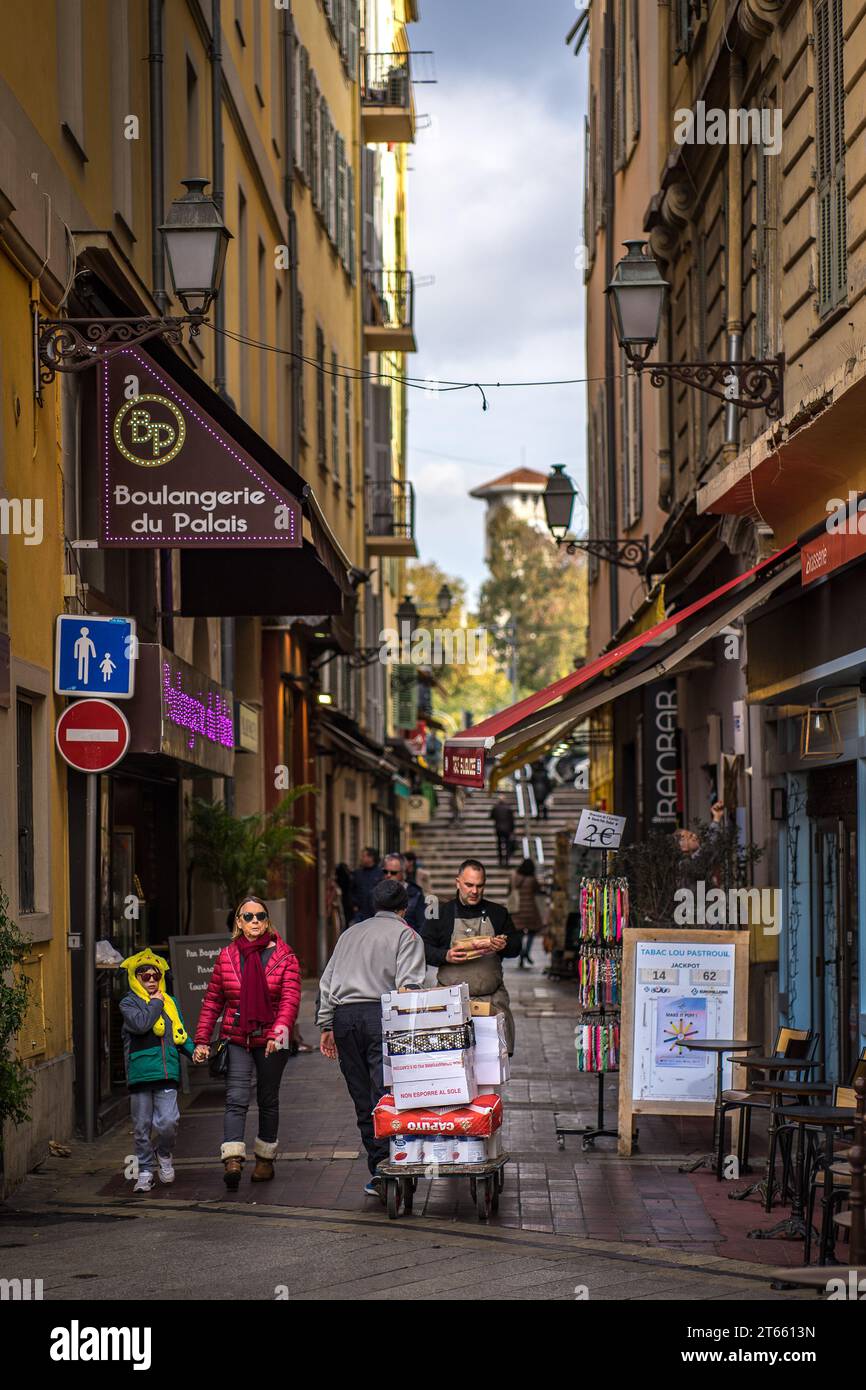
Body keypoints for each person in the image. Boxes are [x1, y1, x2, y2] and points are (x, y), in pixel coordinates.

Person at [318, 877, 426, 1200]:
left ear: (374, 905)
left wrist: (325, 1025)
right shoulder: (407, 935)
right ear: (403, 909)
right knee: (386, 1093)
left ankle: (379, 1166)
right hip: (382, 1016)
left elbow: (326, 983)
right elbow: (409, 989)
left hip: (344, 1019)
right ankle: (391, 1164)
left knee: (362, 1095)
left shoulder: (349, 934)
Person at [193, 896, 301, 1190]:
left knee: (268, 1099)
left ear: (267, 920)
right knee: (236, 1097)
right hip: (236, 1037)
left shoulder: (284, 955)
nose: (255, 921)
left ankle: (265, 1160)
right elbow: (213, 1000)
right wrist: (201, 1040)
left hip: (270, 1039)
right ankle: (233, 1159)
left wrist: (279, 1033)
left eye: (260, 916)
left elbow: (290, 1000)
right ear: (238, 923)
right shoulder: (227, 956)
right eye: (248, 916)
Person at [420, 858, 521, 1052]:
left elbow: (516, 948)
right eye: (469, 885)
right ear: (457, 882)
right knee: (452, 1063)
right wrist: (445, 956)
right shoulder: (440, 913)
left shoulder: (498, 913)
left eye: (479, 886)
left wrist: (504, 945)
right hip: (450, 1002)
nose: (474, 891)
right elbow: (422, 948)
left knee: (492, 1066)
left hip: (491, 1001)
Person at [119, 948, 197, 1193]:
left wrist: (194, 1051)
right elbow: (141, 1025)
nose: (152, 979)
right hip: (141, 1074)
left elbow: (180, 1033)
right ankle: (143, 1170)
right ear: (135, 977)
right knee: (142, 1127)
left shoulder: (170, 1002)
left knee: (168, 1122)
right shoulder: (128, 1002)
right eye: (145, 976)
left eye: (156, 975)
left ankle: (163, 1153)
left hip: (166, 1072)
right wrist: (155, 1002)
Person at [510, 858, 545, 968]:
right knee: (531, 933)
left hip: (518, 910)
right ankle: (526, 953)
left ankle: (522, 952)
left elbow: (509, 891)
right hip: (530, 910)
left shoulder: (514, 877)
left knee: (519, 935)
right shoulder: (532, 879)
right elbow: (538, 891)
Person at [382, 852, 426, 933]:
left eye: (393, 873)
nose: (388, 875)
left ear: (403, 872)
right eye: (385, 871)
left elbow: (422, 925)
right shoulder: (375, 893)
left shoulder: (416, 894)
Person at [350, 847, 383, 924]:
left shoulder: (380, 873)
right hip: (361, 914)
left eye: (363, 856)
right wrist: (354, 904)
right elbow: (352, 890)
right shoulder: (357, 873)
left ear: (371, 858)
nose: (361, 858)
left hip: (376, 913)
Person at [490, 793, 515, 866]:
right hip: (507, 829)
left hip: (498, 828)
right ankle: (507, 860)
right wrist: (512, 830)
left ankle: (500, 860)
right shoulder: (508, 808)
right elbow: (512, 820)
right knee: (507, 845)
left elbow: (491, 816)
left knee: (499, 845)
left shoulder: (496, 807)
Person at [334, 862, 354, 931]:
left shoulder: (342, 880)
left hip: (345, 901)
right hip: (348, 901)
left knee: (344, 919)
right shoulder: (350, 878)